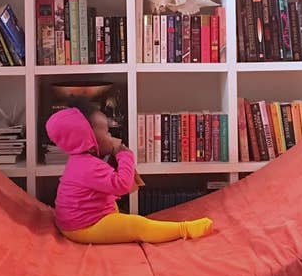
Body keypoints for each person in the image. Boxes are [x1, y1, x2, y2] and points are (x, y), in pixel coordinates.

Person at [45, 97, 213, 244]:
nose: (111, 136)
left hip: (79, 221)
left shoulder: (82, 161)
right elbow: (122, 185)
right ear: (89, 138)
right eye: (106, 131)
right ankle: (184, 230)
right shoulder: (87, 166)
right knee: (137, 226)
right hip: (83, 227)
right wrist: (125, 155)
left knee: (118, 213)